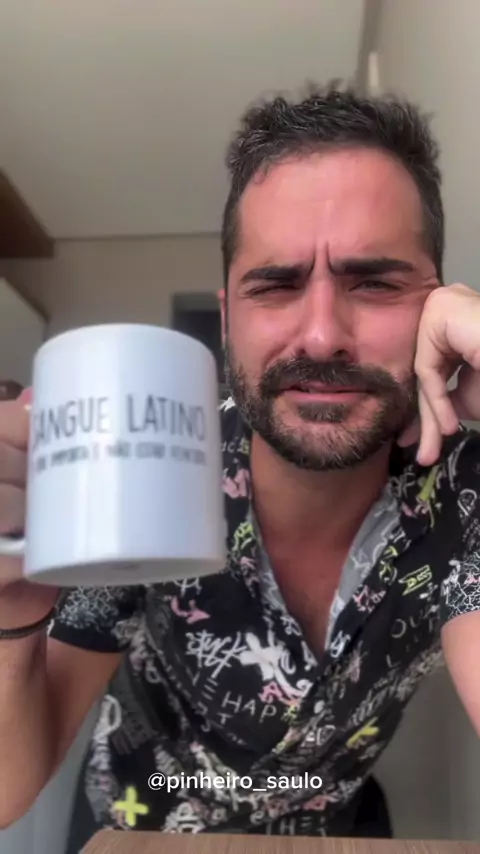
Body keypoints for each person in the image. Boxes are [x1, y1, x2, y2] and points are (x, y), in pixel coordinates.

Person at [0, 83, 479, 849]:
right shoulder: (149, 464)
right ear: (228, 319)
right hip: (144, 822)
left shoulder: (460, 486)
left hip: (326, 826)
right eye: (277, 285)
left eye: (375, 282)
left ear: (441, 302)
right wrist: (12, 608)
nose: (320, 336)